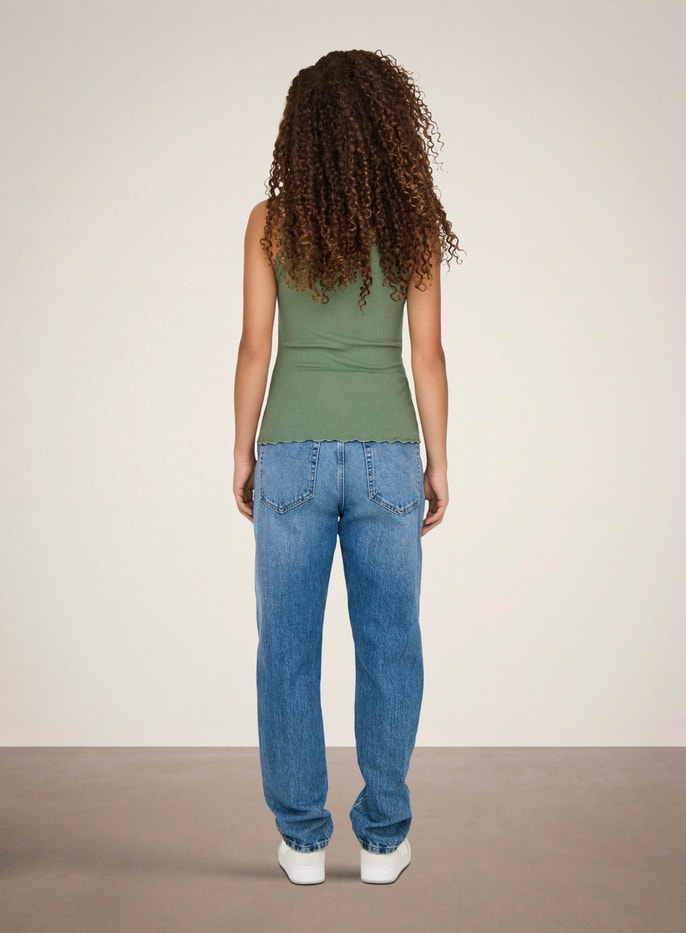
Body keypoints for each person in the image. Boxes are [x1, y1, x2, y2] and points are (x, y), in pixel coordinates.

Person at [232, 49, 460, 885]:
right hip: (388, 455)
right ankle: (383, 839)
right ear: (392, 130)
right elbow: (427, 356)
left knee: (286, 650)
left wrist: (242, 448)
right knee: (391, 645)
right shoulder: (412, 227)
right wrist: (439, 461)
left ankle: (301, 841)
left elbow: (255, 347)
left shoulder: (270, 221)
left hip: (290, 451)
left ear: (301, 132)